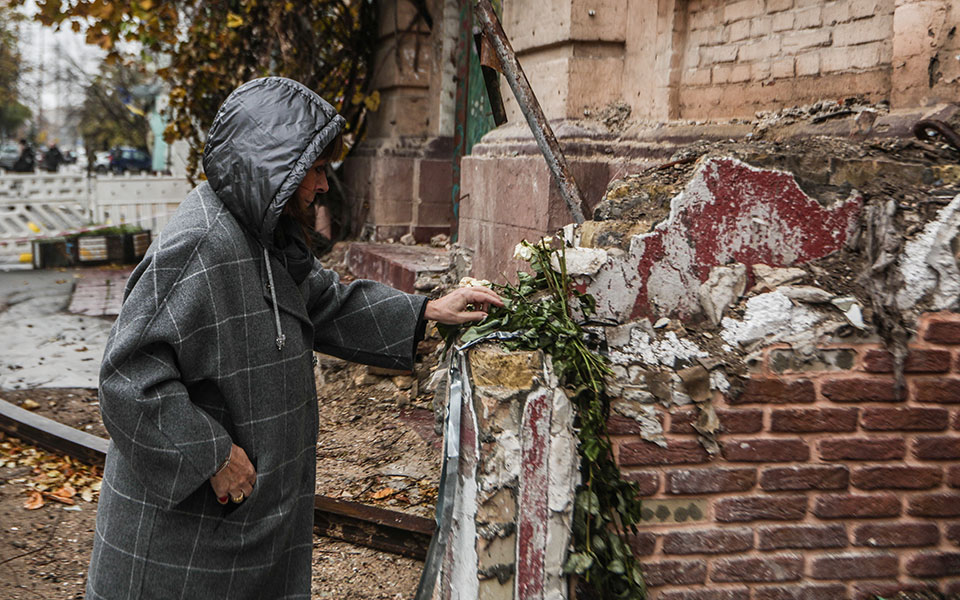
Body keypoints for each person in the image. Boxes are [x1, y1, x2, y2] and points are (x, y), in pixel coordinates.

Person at [85, 77, 502, 599]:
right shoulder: (199, 247)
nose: (324, 185)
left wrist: (427, 312)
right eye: (316, 170)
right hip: (184, 549)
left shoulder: (260, 234)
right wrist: (210, 456)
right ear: (271, 169)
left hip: (243, 529)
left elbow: (325, 301)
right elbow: (126, 377)